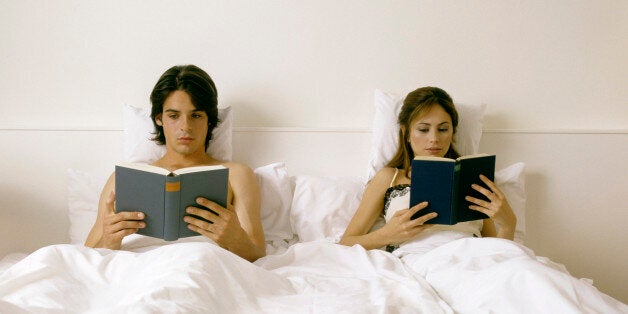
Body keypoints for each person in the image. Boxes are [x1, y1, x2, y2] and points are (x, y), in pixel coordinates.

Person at [85, 65, 266, 262]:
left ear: (209, 121)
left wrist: (235, 238)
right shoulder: (123, 178)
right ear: (159, 119)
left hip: (202, 265)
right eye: (173, 116)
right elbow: (85, 256)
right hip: (136, 267)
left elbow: (257, 256)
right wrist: (109, 241)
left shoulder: (236, 174)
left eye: (196, 116)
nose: (185, 126)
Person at [340, 86, 517, 253]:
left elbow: (497, 253)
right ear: (406, 132)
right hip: (420, 259)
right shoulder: (389, 177)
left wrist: (508, 224)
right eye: (423, 129)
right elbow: (346, 242)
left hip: (473, 259)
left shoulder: (472, 178)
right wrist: (386, 235)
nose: (434, 139)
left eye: (443, 129)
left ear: (452, 133)